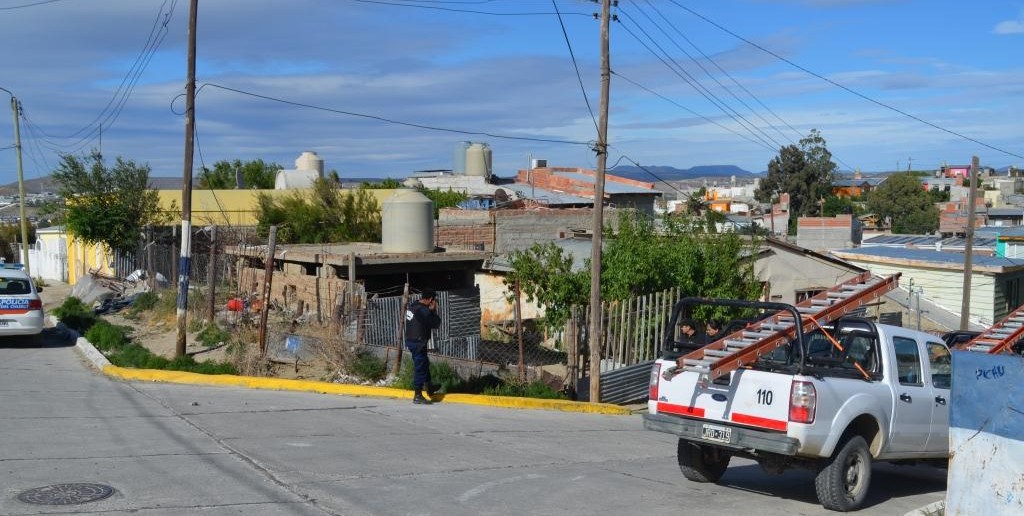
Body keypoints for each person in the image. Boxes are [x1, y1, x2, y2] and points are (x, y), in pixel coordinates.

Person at [405, 288, 442, 405]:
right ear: (431, 299)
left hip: (412, 341)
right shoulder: (423, 311)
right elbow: (436, 323)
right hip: (418, 343)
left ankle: (429, 387)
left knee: (424, 363)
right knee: (420, 367)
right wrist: (433, 310)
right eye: (434, 300)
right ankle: (418, 395)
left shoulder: (414, 305)